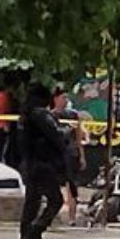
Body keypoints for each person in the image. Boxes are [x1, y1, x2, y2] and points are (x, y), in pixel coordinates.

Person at [17, 83, 74, 239]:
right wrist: (68, 130)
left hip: (30, 163)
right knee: (55, 200)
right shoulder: (40, 114)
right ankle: (35, 232)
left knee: (32, 203)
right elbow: (56, 135)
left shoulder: (25, 116)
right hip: (43, 164)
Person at [50, 86, 88, 225]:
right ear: (55, 99)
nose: (65, 100)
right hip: (57, 155)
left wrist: (82, 156)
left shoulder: (73, 115)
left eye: (67, 97)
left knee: (72, 186)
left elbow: (78, 137)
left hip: (71, 155)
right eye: (63, 97)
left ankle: (72, 218)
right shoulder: (50, 116)